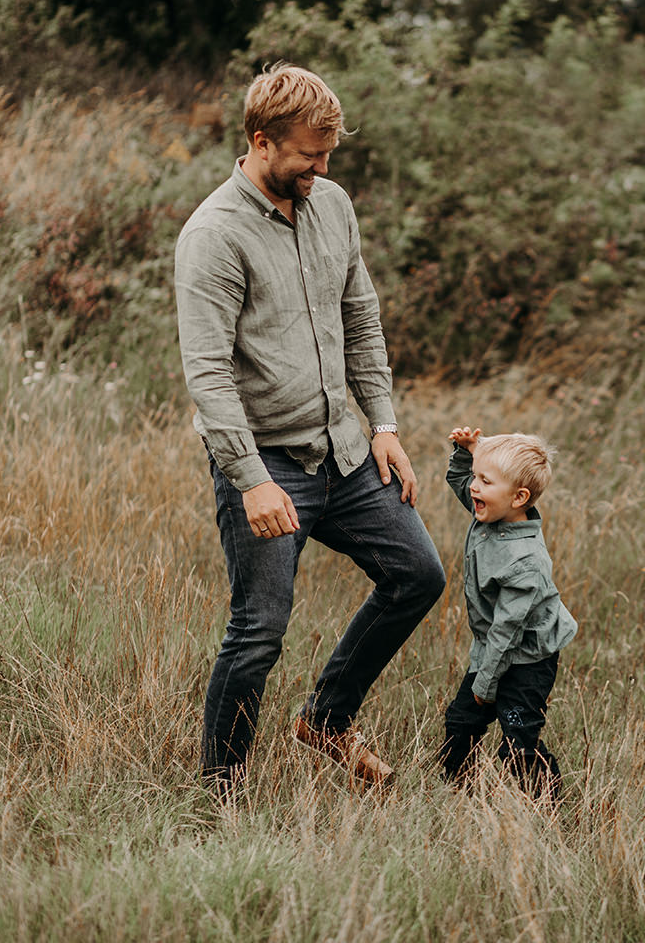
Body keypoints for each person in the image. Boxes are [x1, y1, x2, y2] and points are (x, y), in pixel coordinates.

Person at [175, 64, 446, 792]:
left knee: (418, 575)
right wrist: (253, 481)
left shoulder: (332, 205)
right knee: (259, 631)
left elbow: (360, 315)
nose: (321, 169)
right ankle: (219, 792)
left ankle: (326, 719)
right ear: (261, 143)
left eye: (329, 155)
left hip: (347, 452)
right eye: (308, 155)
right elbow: (208, 375)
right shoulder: (213, 236)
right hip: (267, 462)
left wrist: (382, 422)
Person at [439, 427, 577, 796]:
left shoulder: (527, 562)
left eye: (485, 481)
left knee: (518, 739)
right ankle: (456, 795)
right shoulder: (491, 514)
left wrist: (485, 684)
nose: (473, 487)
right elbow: (457, 479)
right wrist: (466, 453)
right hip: (493, 649)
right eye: (477, 478)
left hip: (528, 657)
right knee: (461, 722)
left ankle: (546, 803)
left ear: (519, 497)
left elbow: (507, 630)